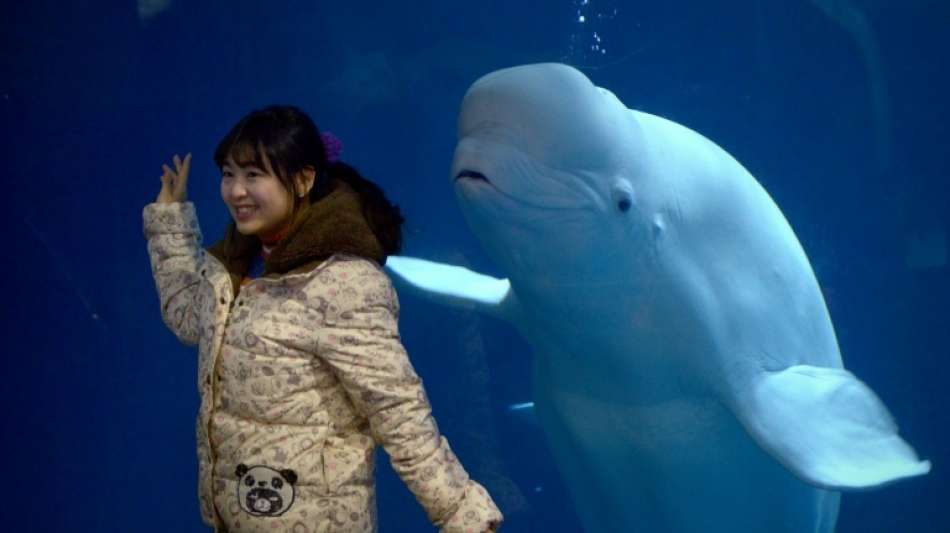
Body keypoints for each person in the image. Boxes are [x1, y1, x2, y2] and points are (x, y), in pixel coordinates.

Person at [143, 105, 502, 532]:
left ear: (303, 180)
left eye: (254, 174)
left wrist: (462, 515)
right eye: (228, 173)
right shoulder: (238, 267)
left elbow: (397, 409)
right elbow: (188, 318)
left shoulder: (342, 283)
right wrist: (170, 222)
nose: (236, 191)